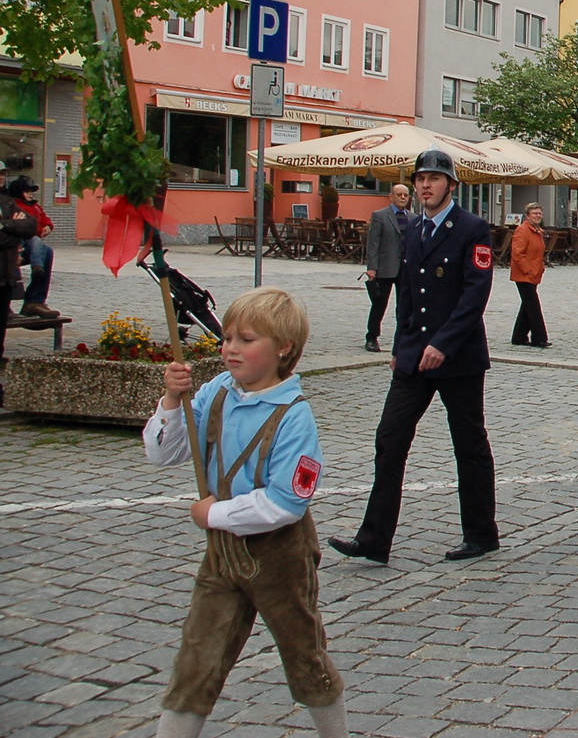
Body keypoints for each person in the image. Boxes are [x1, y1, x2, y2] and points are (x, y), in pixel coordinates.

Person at [144, 287, 348, 738]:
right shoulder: (218, 391)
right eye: (228, 337)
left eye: (246, 339)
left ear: (283, 349)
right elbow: (167, 453)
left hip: (280, 556)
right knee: (196, 660)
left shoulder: (295, 415)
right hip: (222, 557)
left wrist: (215, 514)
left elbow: (287, 502)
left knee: (304, 655)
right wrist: (172, 404)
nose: (230, 348)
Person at [330, 149, 499, 565]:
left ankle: (481, 534)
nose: (425, 186)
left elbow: (474, 295)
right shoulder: (414, 228)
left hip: (457, 358)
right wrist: (398, 348)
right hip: (413, 357)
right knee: (389, 440)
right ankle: (374, 539)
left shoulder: (472, 229)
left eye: (434, 179)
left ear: (451, 186)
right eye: (420, 178)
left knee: (469, 444)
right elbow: (407, 293)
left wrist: (442, 344)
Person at [362, 184, 412, 352]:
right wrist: (372, 268)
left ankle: (403, 338)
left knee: (404, 306)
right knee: (379, 304)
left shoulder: (414, 218)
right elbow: (373, 243)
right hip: (385, 267)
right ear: (391, 196)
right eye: (399, 194)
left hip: (406, 269)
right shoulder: (380, 216)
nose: (403, 197)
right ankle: (372, 337)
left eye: (406, 195)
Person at [0, 164, 40, 372]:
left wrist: (6, 225)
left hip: (5, 277)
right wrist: (13, 229)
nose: (1, 178)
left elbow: (31, 226)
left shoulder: (7, 202)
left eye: (2, 174)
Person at [6, 177, 56, 318]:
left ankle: (35, 301)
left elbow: (45, 219)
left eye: (31, 191)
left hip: (32, 241)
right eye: (27, 191)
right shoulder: (14, 206)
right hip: (17, 241)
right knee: (33, 241)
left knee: (47, 251)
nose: (30, 194)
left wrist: (47, 226)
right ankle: (6, 304)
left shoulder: (35, 206)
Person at [508, 204, 550, 348]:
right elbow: (517, 254)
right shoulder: (522, 231)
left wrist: (539, 269)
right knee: (533, 306)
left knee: (527, 305)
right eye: (534, 213)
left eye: (539, 213)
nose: (538, 215)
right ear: (527, 215)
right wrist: (528, 270)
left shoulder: (538, 231)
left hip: (534, 273)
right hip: (524, 275)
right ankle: (539, 338)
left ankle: (518, 337)